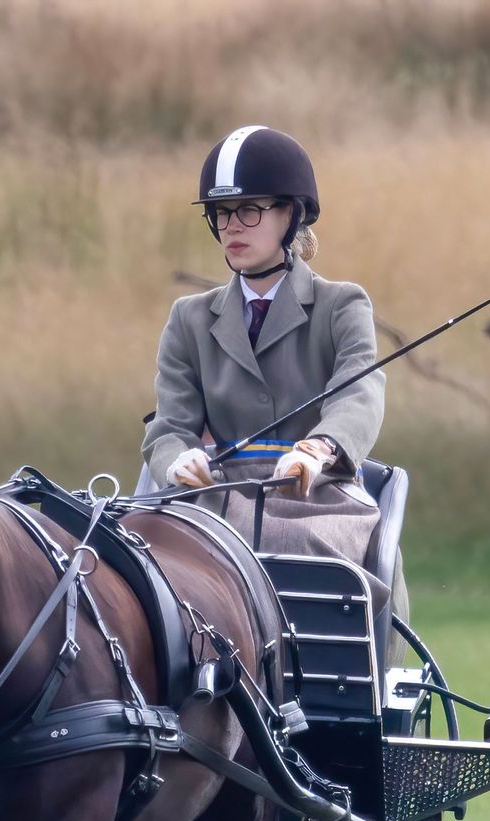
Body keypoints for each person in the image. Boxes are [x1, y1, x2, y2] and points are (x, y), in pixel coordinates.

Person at [142, 124, 406, 626]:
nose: (232, 227)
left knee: (289, 547)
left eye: (250, 210)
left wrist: (318, 449)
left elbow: (360, 392)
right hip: (214, 499)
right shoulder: (189, 318)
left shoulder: (341, 305)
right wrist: (178, 463)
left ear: (291, 215)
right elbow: (170, 425)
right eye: (221, 214)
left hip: (313, 499)